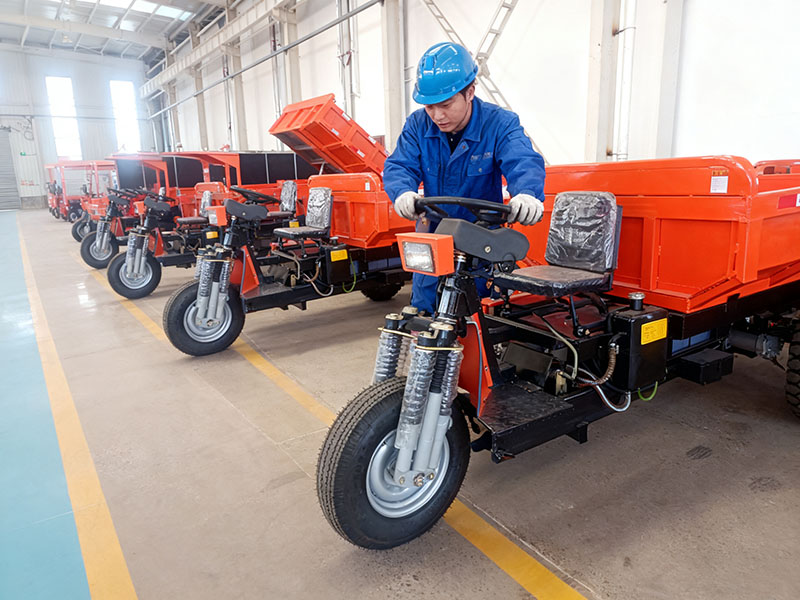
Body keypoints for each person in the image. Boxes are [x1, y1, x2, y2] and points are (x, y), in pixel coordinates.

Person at [383, 41, 546, 314]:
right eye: (429, 107)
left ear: (470, 92)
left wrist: (528, 193)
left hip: (481, 238)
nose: (437, 115)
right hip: (435, 233)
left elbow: (523, 160)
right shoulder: (417, 125)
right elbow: (400, 165)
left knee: (477, 314)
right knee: (423, 310)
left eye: (445, 105)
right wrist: (402, 191)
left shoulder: (500, 123)